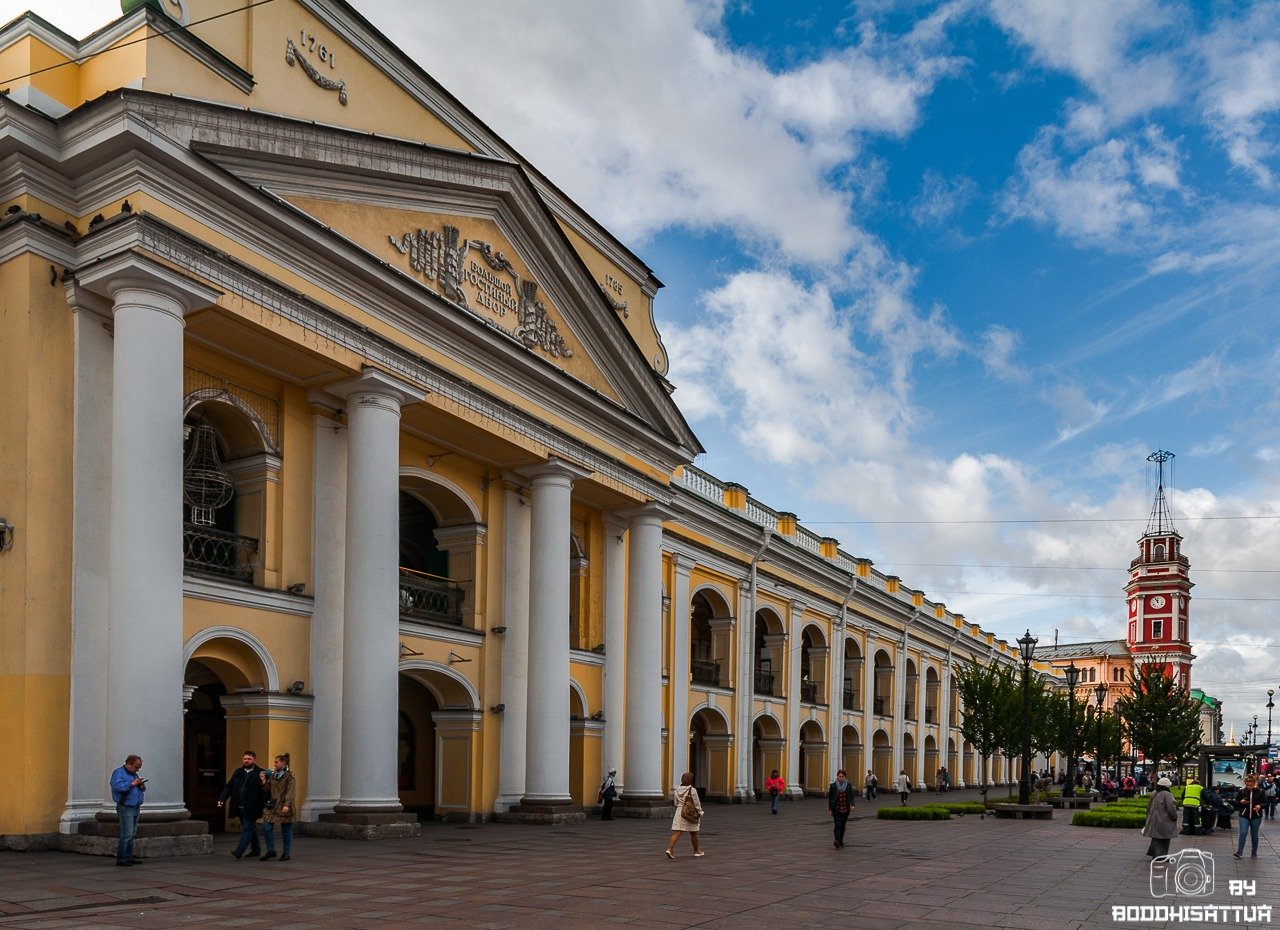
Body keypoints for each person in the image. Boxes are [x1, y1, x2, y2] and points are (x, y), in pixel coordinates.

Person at [218, 750, 267, 859]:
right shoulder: (238, 772)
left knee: (247, 828)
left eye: (249, 759)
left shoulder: (261, 772)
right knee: (251, 828)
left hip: (253, 806)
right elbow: (229, 786)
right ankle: (256, 850)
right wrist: (222, 799)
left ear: (254, 760)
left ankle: (239, 851)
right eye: (245, 759)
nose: (246, 761)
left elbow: (266, 790)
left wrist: (264, 783)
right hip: (239, 805)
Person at [109, 754, 146, 867]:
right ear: (128, 764)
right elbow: (117, 787)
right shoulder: (118, 773)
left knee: (132, 833)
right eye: (136, 766)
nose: (138, 769)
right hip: (125, 806)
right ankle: (122, 858)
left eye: (139, 767)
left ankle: (128, 856)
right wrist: (132, 783)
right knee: (127, 833)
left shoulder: (133, 774)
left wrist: (141, 786)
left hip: (135, 806)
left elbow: (141, 789)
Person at [260, 752, 297, 861]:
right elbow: (267, 789)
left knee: (286, 829)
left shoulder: (289, 776)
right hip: (272, 804)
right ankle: (271, 851)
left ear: (284, 763)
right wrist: (263, 780)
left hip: (284, 804)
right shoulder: (273, 775)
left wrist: (286, 804)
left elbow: (291, 791)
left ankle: (286, 853)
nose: (274, 764)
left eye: (277, 762)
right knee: (266, 826)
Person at [664, 772, 704, 859]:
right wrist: (700, 812)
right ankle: (696, 851)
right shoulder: (692, 790)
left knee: (677, 832)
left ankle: (669, 849)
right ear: (691, 780)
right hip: (690, 813)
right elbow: (697, 803)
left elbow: (675, 803)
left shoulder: (677, 790)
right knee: (694, 832)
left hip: (680, 812)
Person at [1142, 776, 1179, 858]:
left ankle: (1154, 853)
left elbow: (1149, 806)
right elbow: (1171, 808)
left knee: (1156, 837)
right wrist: (1174, 816)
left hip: (1154, 818)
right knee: (1164, 838)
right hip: (1164, 820)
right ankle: (1160, 856)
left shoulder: (1154, 792)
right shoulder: (1167, 794)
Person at [1234, 774, 1266, 859]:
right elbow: (1236, 802)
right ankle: (1239, 852)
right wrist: (1241, 801)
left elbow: (1265, 802)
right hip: (1244, 815)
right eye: (1247, 785)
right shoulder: (1241, 791)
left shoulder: (1260, 791)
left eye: (1250, 785)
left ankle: (1254, 852)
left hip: (1256, 816)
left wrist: (1260, 806)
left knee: (1254, 834)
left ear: (1254, 783)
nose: (1249, 787)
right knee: (1243, 832)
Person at [827, 769, 857, 848]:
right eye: (839, 776)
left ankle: (841, 841)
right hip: (836, 808)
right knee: (837, 824)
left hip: (845, 808)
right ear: (837, 777)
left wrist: (852, 805)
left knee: (843, 825)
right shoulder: (833, 786)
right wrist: (830, 809)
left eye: (842, 776)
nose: (841, 778)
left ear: (845, 777)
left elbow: (851, 796)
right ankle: (836, 840)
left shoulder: (848, 785)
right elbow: (830, 798)